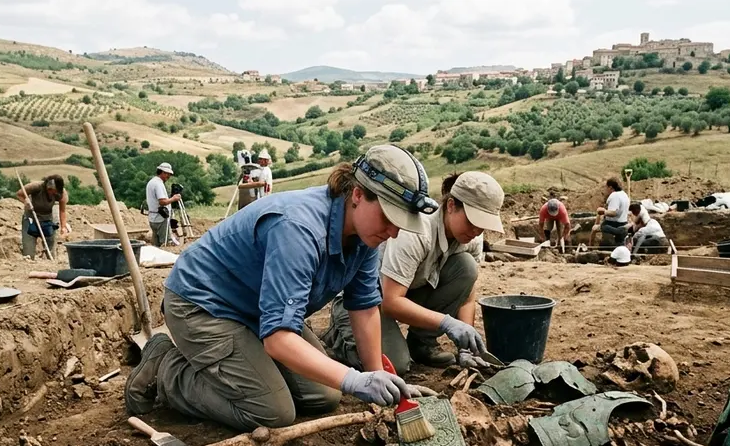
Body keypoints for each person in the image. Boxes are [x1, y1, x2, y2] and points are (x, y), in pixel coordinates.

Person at [125, 145, 434, 431]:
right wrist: (354, 380)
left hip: (255, 307)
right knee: (272, 412)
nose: (393, 232)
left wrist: (377, 378)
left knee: (325, 395)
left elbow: (364, 308)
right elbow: (278, 340)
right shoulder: (299, 230)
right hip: (203, 305)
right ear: (357, 194)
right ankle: (166, 369)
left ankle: (241, 364)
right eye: (388, 217)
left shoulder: (365, 235)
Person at [323, 171, 505, 374]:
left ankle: (422, 344)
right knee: (395, 365)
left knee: (466, 266)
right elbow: (390, 302)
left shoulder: (472, 237)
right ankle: (337, 336)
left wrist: (466, 347)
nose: (476, 231)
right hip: (364, 300)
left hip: (407, 291)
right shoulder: (418, 232)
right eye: (471, 222)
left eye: (482, 226)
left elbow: (467, 295)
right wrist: (446, 322)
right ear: (451, 206)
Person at [15, 174, 68, 259]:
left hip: (47, 219)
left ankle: (50, 261)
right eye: (49, 189)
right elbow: (19, 194)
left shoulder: (61, 193)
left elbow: (62, 211)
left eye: (53, 190)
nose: (50, 191)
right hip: (31, 218)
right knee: (28, 250)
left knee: (50, 247)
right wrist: (26, 201)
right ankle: (29, 260)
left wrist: (63, 227)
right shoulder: (36, 186)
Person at [146, 163, 182, 247]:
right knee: (165, 243)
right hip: (160, 218)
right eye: (167, 174)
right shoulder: (158, 184)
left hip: (153, 217)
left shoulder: (152, 182)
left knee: (156, 244)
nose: (168, 176)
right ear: (162, 172)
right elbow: (162, 202)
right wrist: (174, 198)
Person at [598, 178, 631, 248]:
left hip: (613, 224)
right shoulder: (624, 194)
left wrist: (603, 211)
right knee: (620, 244)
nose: (605, 190)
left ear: (610, 187)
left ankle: (608, 246)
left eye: (606, 187)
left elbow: (613, 213)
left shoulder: (614, 195)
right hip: (623, 222)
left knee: (603, 227)